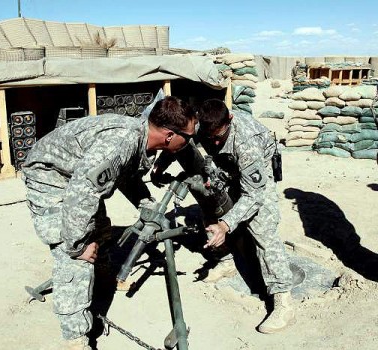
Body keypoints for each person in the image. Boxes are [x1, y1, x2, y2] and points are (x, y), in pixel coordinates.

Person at [21, 96, 196, 350]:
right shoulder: (121, 141)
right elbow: (82, 192)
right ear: (169, 136)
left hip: (76, 177)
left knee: (100, 231)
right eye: (187, 137)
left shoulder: (140, 137)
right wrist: (78, 245)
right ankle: (75, 337)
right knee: (73, 255)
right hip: (50, 176)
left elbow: (125, 174)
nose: (190, 142)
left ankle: (104, 281)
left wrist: (145, 203)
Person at [152, 99, 295, 334]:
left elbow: (254, 195)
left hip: (256, 175)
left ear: (229, 120)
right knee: (210, 204)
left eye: (219, 137)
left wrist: (226, 224)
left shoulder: (246, 142)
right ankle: (226, 259)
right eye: (211, 138)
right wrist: (162, 162)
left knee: (263, 230)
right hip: (227, 166)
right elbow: (183, 140)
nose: (215, 142)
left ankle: (283, 299)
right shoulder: (200, 124)